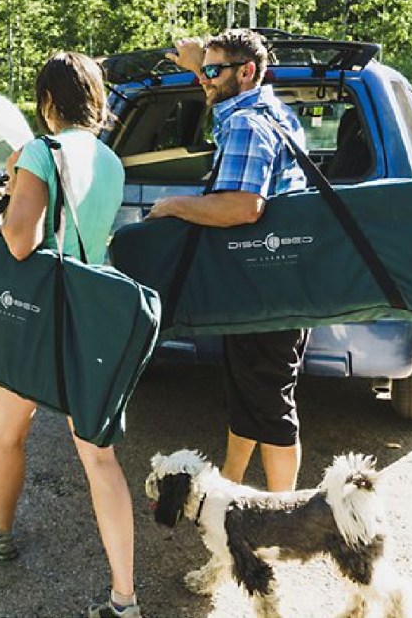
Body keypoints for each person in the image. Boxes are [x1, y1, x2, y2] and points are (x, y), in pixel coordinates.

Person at [0, 51, 142, 618]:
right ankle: (124, 597)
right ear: (96, 101)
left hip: (33, 320)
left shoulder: (42, 153)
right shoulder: (112, 160)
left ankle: (1, 532)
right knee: (99, 459)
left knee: (9, 436)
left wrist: (22, 172)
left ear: (47, 103)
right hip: (90, 317)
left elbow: (21, 240)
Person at [151, 28, 308, 491]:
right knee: (249, 395)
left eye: (215, 71)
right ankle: (232, 488)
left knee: (272, 407)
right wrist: (201, 63)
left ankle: (284, 520)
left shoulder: (246, 123)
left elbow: (243, 206)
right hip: (273, 283)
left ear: (247, 73)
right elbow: (224, 89)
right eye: (206, 69)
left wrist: (174, 205)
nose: (204, 79)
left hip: (265, 287)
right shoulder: (268, 110)